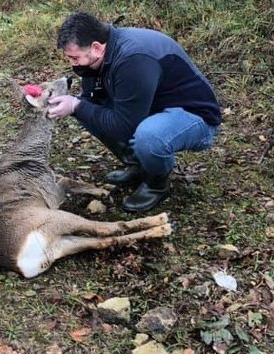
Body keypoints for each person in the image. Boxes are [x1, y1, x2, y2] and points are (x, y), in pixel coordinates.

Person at [47, 12, 221, 213]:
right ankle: (139, 165)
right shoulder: (100, 57)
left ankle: (156, 183)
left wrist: (77, 106)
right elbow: (91, 100)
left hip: (195, 116)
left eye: (75, 58)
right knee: (85, 109)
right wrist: (70, 104)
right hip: (152, 108)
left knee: (148, 136)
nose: (73, 64)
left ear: (96, 47)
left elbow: (124, 125)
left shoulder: (133, 58)